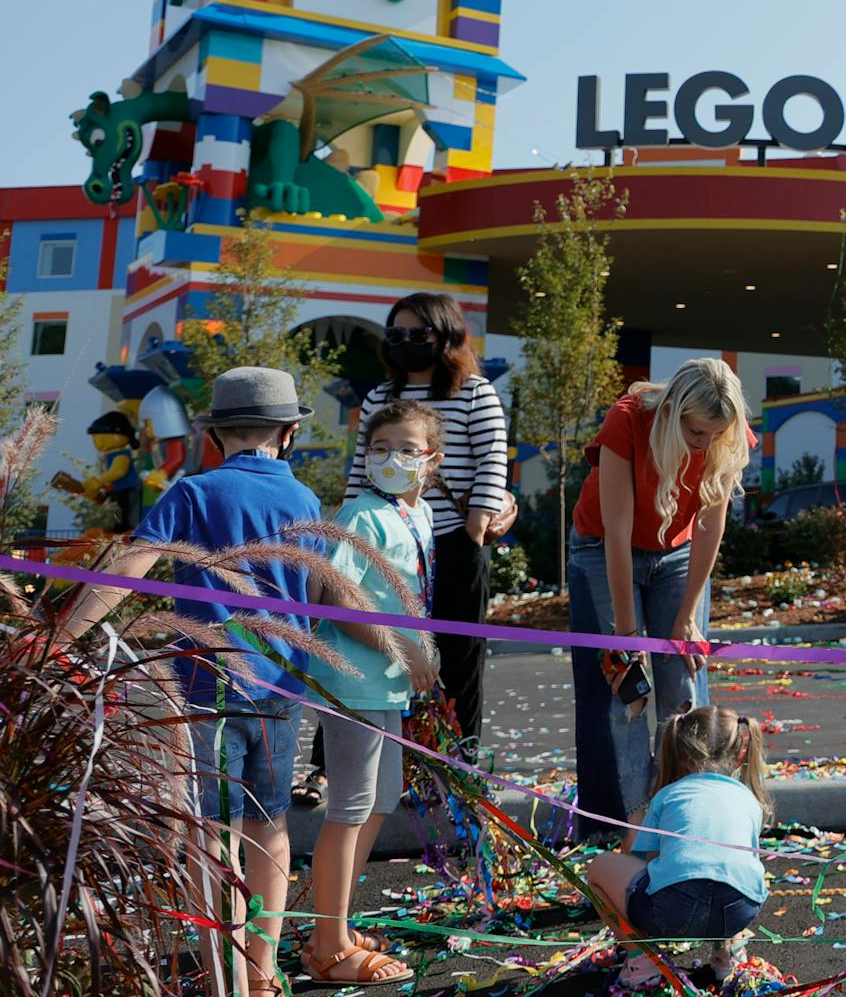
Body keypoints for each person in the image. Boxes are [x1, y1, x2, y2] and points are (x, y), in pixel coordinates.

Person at [54, 368, 322, 997]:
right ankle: (261, 971)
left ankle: (221, 970)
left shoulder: (193, 493)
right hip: (283, 687)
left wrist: (65, 635)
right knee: (271, 824)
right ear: (288, 434)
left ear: (215, 435)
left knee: (214, 831)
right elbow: (318, 593)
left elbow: (131, 569)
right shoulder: (307, 502)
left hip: (209, 687)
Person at [296, 293, 514, 806]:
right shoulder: (379, 397)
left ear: (447, 336)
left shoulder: (476, 393)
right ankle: (329, 768)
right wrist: (348, 534)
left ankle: (452, 766)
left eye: (420, 334)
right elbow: (360, 468)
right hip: (386, 542)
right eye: (397, 334)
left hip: (451, 542)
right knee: (359, 645)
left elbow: (492, 461)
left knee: (457, 659)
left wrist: (477, 527)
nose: (408, 343)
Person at [571, 359, 752, 837]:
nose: (705, 444)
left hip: (676, 554)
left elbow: (711, 525)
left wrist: (687, 616)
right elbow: (617, 529)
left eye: (716, 434)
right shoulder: (628, 418)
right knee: (623, 689)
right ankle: (627, 824)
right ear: (672, 413)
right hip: (603, 548)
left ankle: (686, 814)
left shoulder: (724, 436)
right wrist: (626, 634)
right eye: (696, 432)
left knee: (684, 688)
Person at [302, 401, 441, 986]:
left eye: (407, 449)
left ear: (431, 461)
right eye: (381, 448)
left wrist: (420, 653)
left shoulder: (421, 513)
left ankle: (332, 923)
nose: (392, 459)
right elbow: (334, 595)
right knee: (351, 807)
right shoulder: (361, 514)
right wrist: (399, 648)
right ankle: (328, 945)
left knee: (380, 802)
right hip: (355, 680)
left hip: (388, 684)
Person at [587, 705, 770, 986]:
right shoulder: (749, 800)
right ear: (741, 755)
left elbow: (650, 863)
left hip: (671, 913)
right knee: (727, 869)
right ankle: (727, 954)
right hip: (737, 913)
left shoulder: (668, 794)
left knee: (599, 869)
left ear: (681, 753)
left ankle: (641, 958)